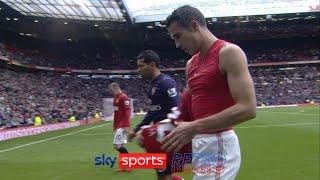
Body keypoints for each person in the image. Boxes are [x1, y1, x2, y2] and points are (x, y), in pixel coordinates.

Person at [162, 5, 257, 180]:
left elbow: (248, 108)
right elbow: (190, 109)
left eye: (178, 36)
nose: (177, 44)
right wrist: (163, 128)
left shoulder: (228, 53)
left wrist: (194, 126)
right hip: (200, 144)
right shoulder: (191, 64)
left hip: (219, 142)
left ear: (194, 26)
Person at [129, 50, 182, 180]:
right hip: (159, 137)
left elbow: (178, 109)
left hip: (167, 137)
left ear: (152, 65)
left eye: (141, 66)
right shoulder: (152, 86)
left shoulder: (166, 83)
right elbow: (152, 113)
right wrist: (136, 130)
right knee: (164, 175)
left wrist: (152, 130)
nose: (138, 69)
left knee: (164, 175)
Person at [108, 83, 131, 172]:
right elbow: (116, 113)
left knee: (116, 145)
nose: (111, 93)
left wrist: (125, 125)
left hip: (123, 126)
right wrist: (115, 124)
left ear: (116, 88)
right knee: (121, 145)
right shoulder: (115, 99)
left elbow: (127, 112)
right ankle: (125, 166)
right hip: (119, 125)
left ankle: (129, 163)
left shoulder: (124, 97)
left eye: (111, 91)